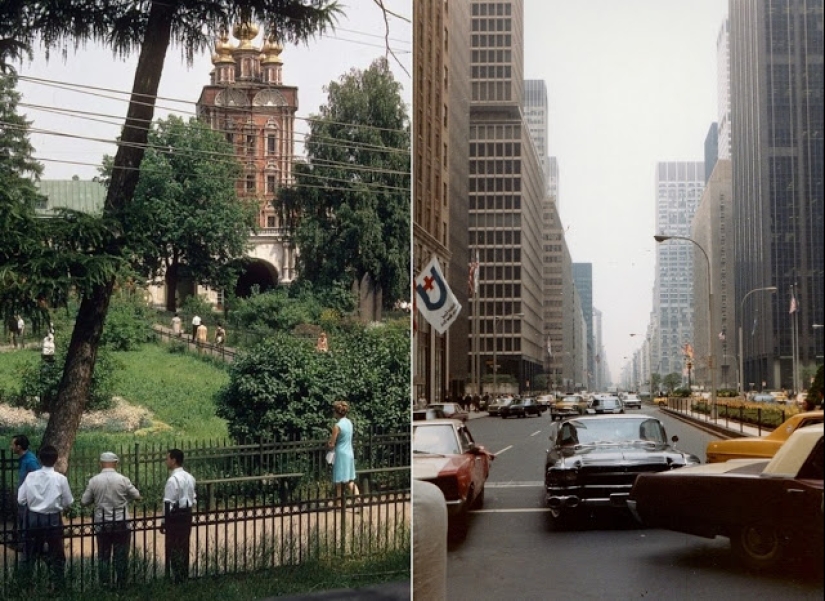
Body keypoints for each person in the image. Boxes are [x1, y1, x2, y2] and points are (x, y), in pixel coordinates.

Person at [81, 452, 141, 589]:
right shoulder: (123, 480)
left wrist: (95, 500)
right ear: (116, 463)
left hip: (102, 522)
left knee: (103, 554)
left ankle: (104, 582)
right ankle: (121, 582)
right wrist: (126, 499)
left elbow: (84, 501)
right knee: (121, 554)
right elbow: (137, 496)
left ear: (100, 463)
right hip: (121, 521)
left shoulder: (94, 481)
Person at [17, 445, 73, 591]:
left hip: (33, 518)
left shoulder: (31, 476)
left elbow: (20, 499)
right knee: (57, 552)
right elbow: (68, 501)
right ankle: (58, 585)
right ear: (55, 460)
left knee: (29, 552)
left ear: (40, 459)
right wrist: (57, 504)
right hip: (53, 518)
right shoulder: (60, 479)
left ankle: (25, 585)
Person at [162, 448, 196, 583]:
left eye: (167, 459)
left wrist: (164, 521)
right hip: (187, 513)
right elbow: (193, 497)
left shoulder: (172, 480)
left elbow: (168, 502)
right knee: (184, 544)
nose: (166, 461)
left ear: (174, 460)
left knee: (173, 546)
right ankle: (184, 573)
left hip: (175, 515)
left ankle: (176, 575)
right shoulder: (190, 477)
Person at [10, 435, 41, 550]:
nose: (11, 447)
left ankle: (28, 549)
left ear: (19, 447)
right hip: (24, 500)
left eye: (12, 445)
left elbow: (38, 479)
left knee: (26, 526)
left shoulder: (30, 461)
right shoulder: (25, 459)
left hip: (28, 501)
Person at [328, 400, 360, 507]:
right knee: (349, 479)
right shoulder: (349, 423)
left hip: (341, 453)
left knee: (339, 481)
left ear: (336, 412)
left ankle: (339, 504)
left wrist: (329, 444)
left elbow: (332, 443)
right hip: (349, 452)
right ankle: (358, 498)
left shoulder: (337, 426)